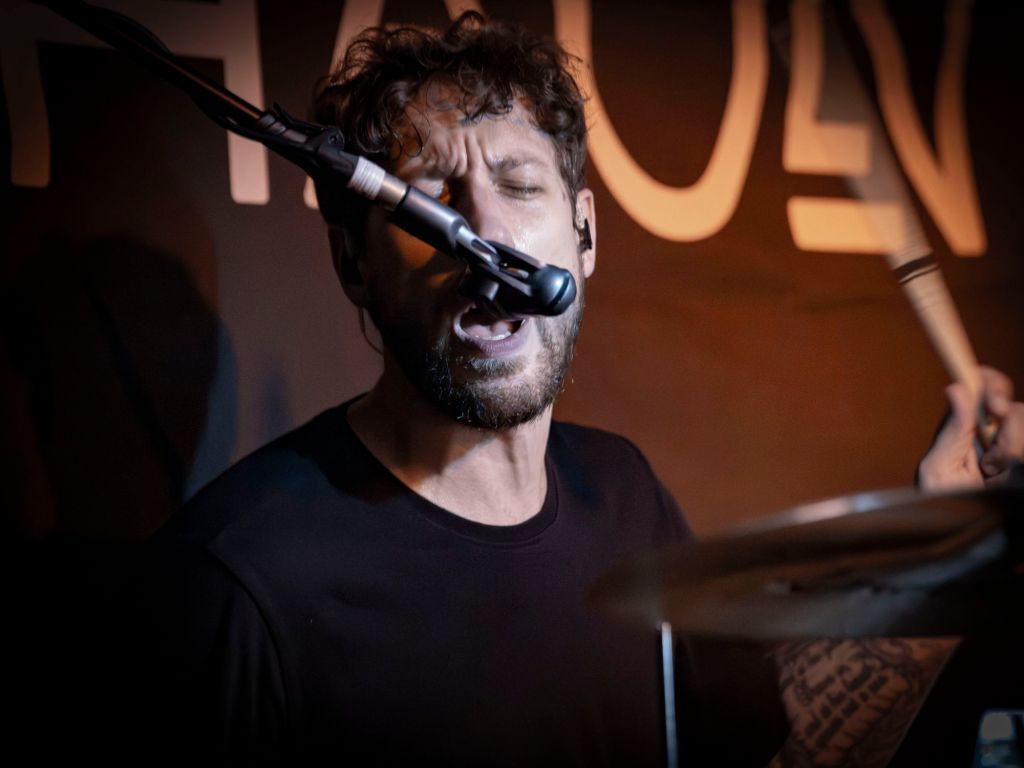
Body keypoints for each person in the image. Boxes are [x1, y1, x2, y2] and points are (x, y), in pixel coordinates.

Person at [119, 11, 1023, 768]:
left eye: (520, 186)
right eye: (429, 200)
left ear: (584, 236)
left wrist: (945, 551)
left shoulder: (625, 496)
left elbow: (779, 755)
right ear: (354, 263)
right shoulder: (240, 581)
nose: (486, 238)